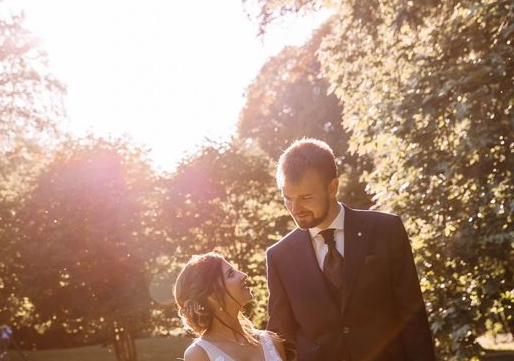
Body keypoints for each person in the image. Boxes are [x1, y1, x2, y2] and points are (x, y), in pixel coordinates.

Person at [266, 138, 436, 361]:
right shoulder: (279, 256)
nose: (295, 209)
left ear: (332, 187)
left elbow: (412, 317)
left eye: (306, 198)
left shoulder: (386, 230)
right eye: (288, 198)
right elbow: (282, 338)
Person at [174, 252, 287, 361]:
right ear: (212, 295)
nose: (244, 275)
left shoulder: (272, 342)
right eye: (231, 274)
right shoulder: (199, 354)